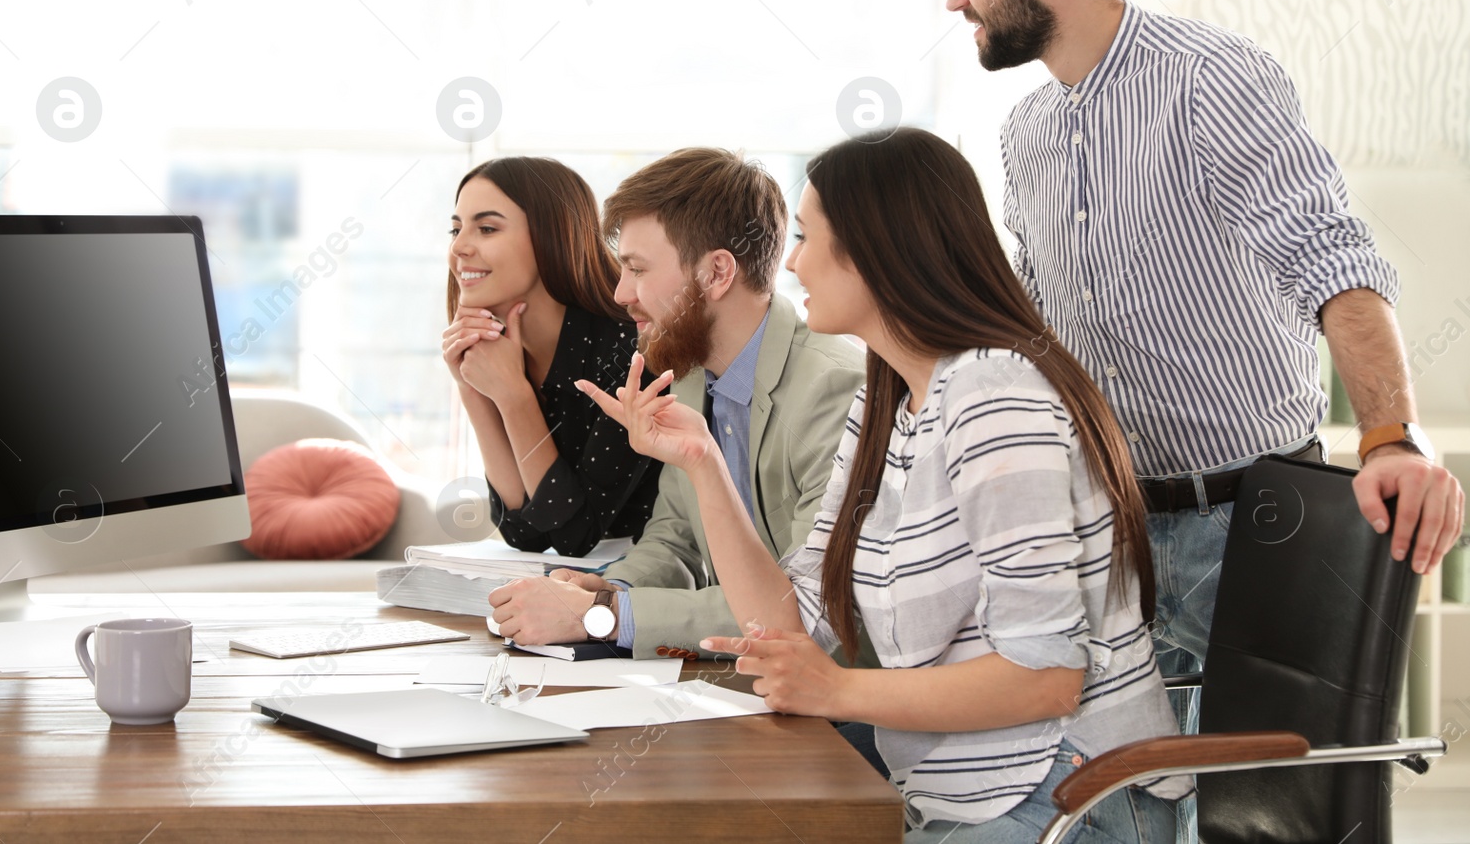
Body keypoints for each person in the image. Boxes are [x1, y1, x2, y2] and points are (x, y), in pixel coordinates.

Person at [945, 0, 1465, 840]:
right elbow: (1045, 332)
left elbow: (1333, 261)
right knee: (1117, 811)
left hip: (1254, 523)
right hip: (1114, 528)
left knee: (1272, 817)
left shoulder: (1212, 81)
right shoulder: (1024, 135)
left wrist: (1393, 432)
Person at [582, 129, 1186, 842]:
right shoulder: (888, 399)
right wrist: (704, 463)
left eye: (809, 237)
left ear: (877, 252)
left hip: (1069, 793)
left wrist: (836, 688)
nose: (793, 261)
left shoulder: (994, 394)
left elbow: (1047, 675)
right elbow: (792, 616)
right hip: (958, 796)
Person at [488, 148, 864, 664]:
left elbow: (798, 614)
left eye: (637, 269)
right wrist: (604, 589)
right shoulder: (687, 378)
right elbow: (676, 538)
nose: (621, 294)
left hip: (836, 710)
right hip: (752, 689)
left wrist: (601, 618)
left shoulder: (835, 389)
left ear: (716, 274)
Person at [443, 156, 660, 556]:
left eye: (486, 228)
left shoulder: (629, 351)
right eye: (456, 229)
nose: (459, 247)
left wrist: (513, 396)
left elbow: (575, 537)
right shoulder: (502, 353)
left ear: (551, 237)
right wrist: (470, 386)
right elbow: (522, 532)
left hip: (645, 589)